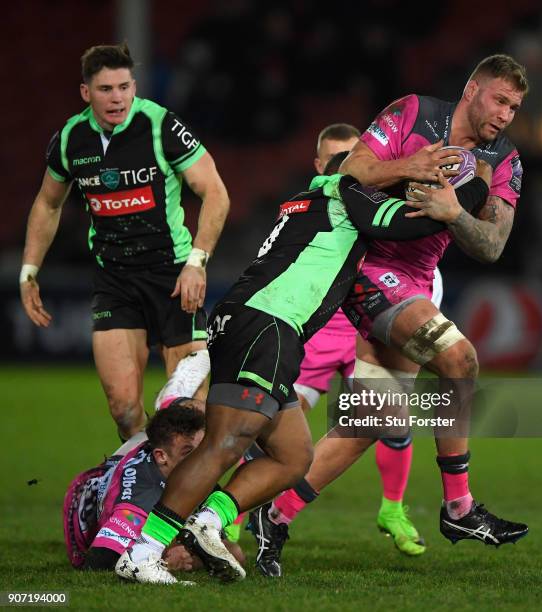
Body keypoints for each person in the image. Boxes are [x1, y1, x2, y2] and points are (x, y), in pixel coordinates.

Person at [114, 151, 492, 584]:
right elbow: (415, 223)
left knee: (293, 456)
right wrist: (477, 183)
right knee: (223, 445)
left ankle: (208, 522)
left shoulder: (309, 198)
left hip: (256, 321)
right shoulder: (346, 192)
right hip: (267, 322)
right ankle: (143, 551)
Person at [246, 55, 530, 574]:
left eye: (515, 106)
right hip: (366, 263)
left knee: (372, 420)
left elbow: (491, 245)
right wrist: (410, 167)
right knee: (460, 358)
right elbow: (351, 171)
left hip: (418, 278)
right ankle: (460, 506)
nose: (506, 114)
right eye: (499, 100)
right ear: (472, 90)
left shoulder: (505, 159)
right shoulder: (414, 112)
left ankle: (273, 515)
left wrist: (455, 214)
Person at [242, 123, 435, 576]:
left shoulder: (390, 233)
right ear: (321, 167)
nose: (353, 169)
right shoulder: (313, 210)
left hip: (365, 326)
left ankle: (389, 507)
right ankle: (228, 519)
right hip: (317, 328)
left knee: (384, 417)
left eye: (357, 157)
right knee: (262, 425)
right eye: (339, 160)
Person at [20, 43, 228, 440]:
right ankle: (136, 495)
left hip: (173, 276)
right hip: (114, 280)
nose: (117, 97)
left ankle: (190, 499)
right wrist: (29, 271)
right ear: (86, 93)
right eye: (105, 89)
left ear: (134, 86)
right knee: (123, 409)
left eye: (124, 87)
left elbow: (215, 192)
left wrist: (196, 262)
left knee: (190, 410)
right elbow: (48, 204)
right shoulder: (70, 139)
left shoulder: (160, 125)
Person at [63, 403, 245, 572]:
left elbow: (232, 552)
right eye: (188, 452)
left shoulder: (197, 474)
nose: (200, 461)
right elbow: (97, 563)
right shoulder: (138, 499)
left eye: (202, 451)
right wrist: (164, 560)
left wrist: (191, 557)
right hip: (86, 501)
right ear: (161, 456)